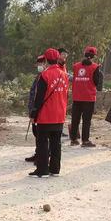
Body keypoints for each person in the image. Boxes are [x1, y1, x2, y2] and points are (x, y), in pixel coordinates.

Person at [29, 48, 69, 178]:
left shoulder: (44, 75)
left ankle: (42, 170)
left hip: (46, 115)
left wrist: (33, 114)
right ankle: (55, 169)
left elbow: (39, 97)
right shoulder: (64, 74)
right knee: (56, 143)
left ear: (46, 60)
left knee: (42, 143)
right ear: (57, 59)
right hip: (60, 114)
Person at [70, 46, 103, 148]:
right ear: (93, 56)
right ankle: (85, 141)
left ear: (85, 54)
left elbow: (74, 78)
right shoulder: (95, 67)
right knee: (86, 120)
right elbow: (96, 82)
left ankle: (74, 139)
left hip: (77, 97)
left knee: (75, 119)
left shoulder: (75, 66)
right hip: (88, 97)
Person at [25, 55, 47, 164]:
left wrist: (35, 110)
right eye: (38, 64)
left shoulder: (46, 76)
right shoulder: (39, 75)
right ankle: (38, 153)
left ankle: (43, 156)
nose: (39, 66)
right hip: (34, 109)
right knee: (36, 132)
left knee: (41, 135)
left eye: (41, 63)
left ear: (46, 64)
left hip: (41, 110)